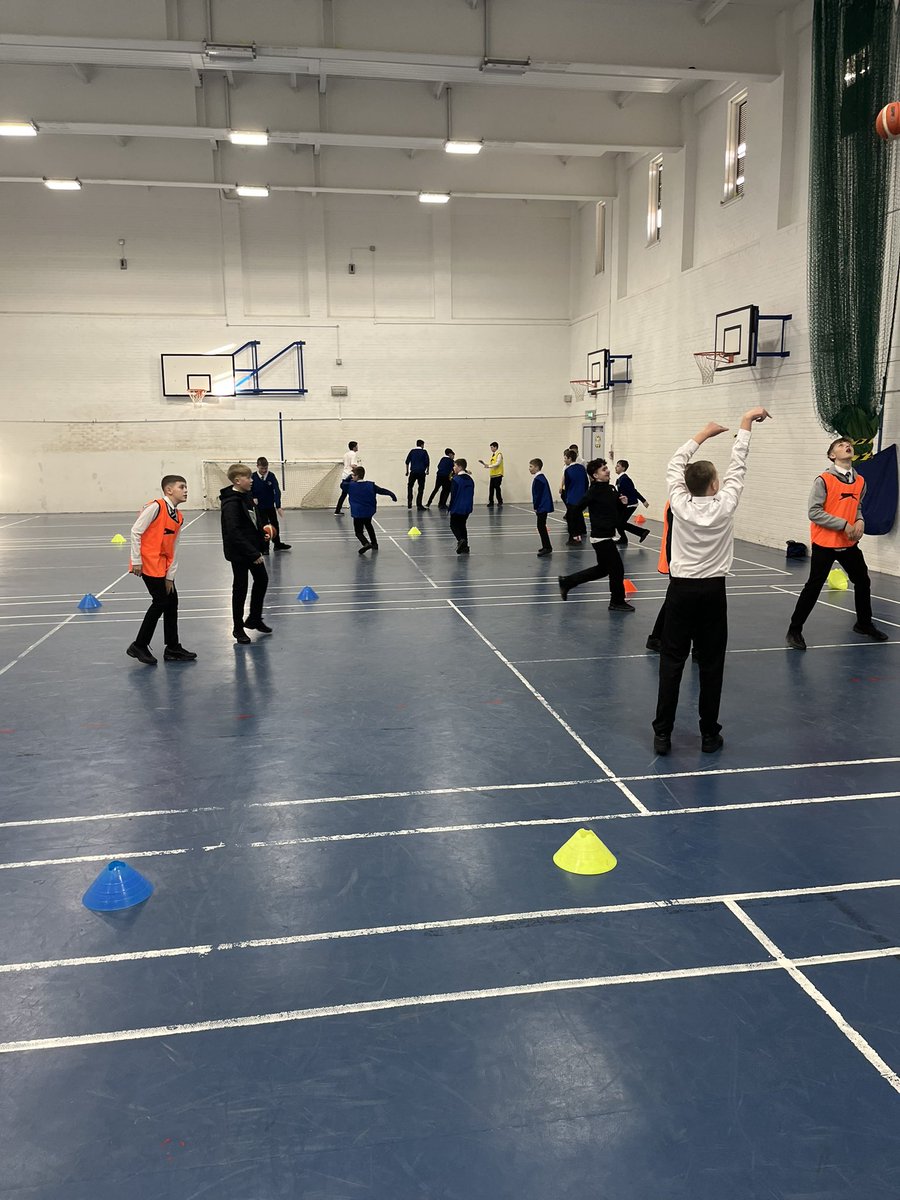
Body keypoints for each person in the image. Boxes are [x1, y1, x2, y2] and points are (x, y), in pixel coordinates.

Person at [652, 407, 770, 758]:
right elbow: (739, 464)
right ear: (715, 485)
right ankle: (708, 735)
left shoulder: (678, 503)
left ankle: (662, 735)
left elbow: (675, 463)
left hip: (681, 590)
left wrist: (702, 434)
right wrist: (745, 423)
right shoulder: (726, 503)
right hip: (713, 592)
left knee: (671, 662)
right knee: (711, 664)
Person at [785, 438, 889, 649]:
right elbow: (814, 513)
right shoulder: (823, 480)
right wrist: (843, 524)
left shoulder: (860, 481)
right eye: (840, 445)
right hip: (825, 543)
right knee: (813, 587)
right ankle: (794, 630)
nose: (846, 447)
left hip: (848, 543)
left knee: (862, 580)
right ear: (832, 455)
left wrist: (860, 520)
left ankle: (864, 623)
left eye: (848, 445)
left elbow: (857, 507)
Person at [126, 475, 196, 665]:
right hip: (148, 563)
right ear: (169, 490)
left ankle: (172, 647)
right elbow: (136, 531)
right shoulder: (156, 507)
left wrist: (170, 576)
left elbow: (174, 547)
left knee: (171, 601)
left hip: (163, 566)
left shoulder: (179, 517)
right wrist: (136, 560)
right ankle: (139, 645)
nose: (186, 490)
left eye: (186, 487)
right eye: (182, 487)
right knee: (160, 602)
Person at [557, 459, 633, 612]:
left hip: (607, 535)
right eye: (604, 469)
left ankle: (568, 581)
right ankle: (616, 601)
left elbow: (618, 513)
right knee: (617, 570)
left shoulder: (611, 489)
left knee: (603, 569)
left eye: (607, 468)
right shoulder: (593, 492)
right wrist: (575, 532)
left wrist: (623, 503)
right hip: (601, 538)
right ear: (595, 475)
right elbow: (575, 510)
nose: (608, 471)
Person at [220, 463, 271, 644]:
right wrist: (253, 553)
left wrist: (261, 535)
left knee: (262, 580)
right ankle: (237, 628)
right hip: (240, 553)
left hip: (252, 548)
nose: (251, 480)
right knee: (240, 588)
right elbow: (234, 533)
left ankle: (254, 618)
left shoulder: (247, 497)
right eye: (248, 478)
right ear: (237, 480)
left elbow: (252, 522)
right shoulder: (231, 503)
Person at [340, 465, 397, 553]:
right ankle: (374, 544)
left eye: (353, 475)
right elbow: (381, 490)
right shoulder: (370, 485)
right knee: (369, 526)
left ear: (357, 476)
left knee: (358, 532)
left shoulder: (350, 486)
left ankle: (366, 544)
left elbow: (342, 485)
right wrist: (391, 494)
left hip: (358, 513)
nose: (352, 477)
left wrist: (347, 479)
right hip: (368, 512)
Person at [251, 457, 291, 554]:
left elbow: (276, 491)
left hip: (270, 506)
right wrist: (252, 498)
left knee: (275, 524)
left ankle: (277, 544)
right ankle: (265, 547)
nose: (264, 471)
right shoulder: (253, 477)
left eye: (266, 468)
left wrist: (278, 506)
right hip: (259, 508)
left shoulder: (271, 476)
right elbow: (248, 490)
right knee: (263, 526)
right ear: (257, 467)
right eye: (262, 469)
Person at [615, 459, 651, 547]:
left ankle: (642, 532)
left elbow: (633, 491)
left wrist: (643, 501)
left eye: (618, 466)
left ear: (623, 468)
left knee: (620, 523)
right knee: (618, 522)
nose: (616, 467)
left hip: (630, 504)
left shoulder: (625, 479)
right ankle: (624, 538)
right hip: (624, 504)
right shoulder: (619, 479)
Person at [560, 448, 588, 545]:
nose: (564, 460)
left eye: (565, 458)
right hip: (582, 497)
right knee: (578, 516)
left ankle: (573, 537)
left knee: (571, 519)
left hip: (572, 497)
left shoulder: (568, 470)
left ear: (569, 458)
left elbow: (567, 485)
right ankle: (580, 534)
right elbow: (586, 482)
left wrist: (567, 496)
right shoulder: (582, 468)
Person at [529, 458, 555, 557]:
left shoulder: (539, 479)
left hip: (542, 506)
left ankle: (547, 547)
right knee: (541, 526)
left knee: (541, 526)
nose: (529, 469)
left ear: (537, 467)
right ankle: (546, 546)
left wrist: (536, 506)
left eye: (531, 466)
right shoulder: (540, 478)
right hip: (542, 506)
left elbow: (538, 495)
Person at [449, 458, 475, 553]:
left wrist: (450, 507)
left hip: (457, 506)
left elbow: (453, 494)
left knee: (453, 525)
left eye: (455, 466)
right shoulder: (470, 479)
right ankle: (465, 546)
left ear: (459, 467)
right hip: (467, 507)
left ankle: (461, 540)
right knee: (462, 525)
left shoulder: (456, 479)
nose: (453, 467)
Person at [334, 441, 361, 514]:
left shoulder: (345, 454)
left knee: (343, 494)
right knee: (355, 494)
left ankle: (337, 510)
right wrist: (359, 470)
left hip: (344, 476)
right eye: (357, 446)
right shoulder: (354, 454)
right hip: (350, 476)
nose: (357, 447)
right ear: (354, 447)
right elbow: (353, 465)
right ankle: (357, 510)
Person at [405, 439, 430, 510]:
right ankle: (419, 504)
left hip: (413, 471)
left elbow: (407, 462)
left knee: (410, 486)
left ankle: (409, 501)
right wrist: (427, 470)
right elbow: (427, 462)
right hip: (421, 472)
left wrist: (407, 471)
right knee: (421, 488)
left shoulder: (412, 452)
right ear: (422, 445)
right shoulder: (424, 452)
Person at [479, 442, 504, 507]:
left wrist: (489, 466)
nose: (491, 449)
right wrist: (485, 464)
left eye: (492, 447)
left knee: (497, 488)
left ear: (496, 447)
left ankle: (500, 501)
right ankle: (491, 502)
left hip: (498, 475)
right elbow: (492, 465)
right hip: (493, 475)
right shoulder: (493, 455)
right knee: (491, 489)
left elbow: (497, 463)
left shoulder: (499, 454)